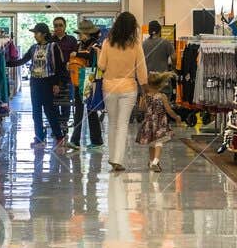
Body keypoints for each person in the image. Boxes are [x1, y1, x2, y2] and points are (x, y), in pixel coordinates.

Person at [95, 10, 147, 170]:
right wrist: (144, 89)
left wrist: (99, 55)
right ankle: (118, 159)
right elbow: (141, 70)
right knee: (123, 124)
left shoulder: (107, 43)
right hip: (129, 88)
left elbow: (101, 66)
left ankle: (112, 157)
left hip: (109, 87)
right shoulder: (136, 45)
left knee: (112, 123)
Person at [8, 22, 68, 149]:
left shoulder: (53, 47)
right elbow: (22, 61)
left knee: (49, 110)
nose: (35, 35)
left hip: (48, 82)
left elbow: (59, 67)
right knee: (36, 111)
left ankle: (59, 136)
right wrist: (6, 63)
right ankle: (39, 138)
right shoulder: (33, 48)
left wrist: (57, 84)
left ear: (44, 34)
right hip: (35, 82)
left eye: (36, 33)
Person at [66, 19, 104, 152]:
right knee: (82, 110)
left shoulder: (95, 45)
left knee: (88, 110)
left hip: (88, 77)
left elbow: (92, 57)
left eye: (81, 33)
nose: (79, 36)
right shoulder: (80, 45)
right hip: (79, 77)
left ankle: (78, 141)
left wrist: (77, 54)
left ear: (87, 34)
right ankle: (94, 140)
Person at [136, 70, 175, 173]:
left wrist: (143, 99)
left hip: (148, 122)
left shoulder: (145, 96)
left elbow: (141, 108)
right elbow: (168, 110)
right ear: (160, 85)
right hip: (160, 122)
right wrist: (177, 117)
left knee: (151, 143)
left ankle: (151, 161)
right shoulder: (162, 96)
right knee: (159, 142)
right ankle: (156, 161)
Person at [51, 17, 79, 135]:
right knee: (54, 102)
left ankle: (64, 123)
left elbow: (77, 56)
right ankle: (57, 124)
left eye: (60, 25)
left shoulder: (72, 40)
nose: (58, 28)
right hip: (53, 77)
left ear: (65, 26)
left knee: (66, 102)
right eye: (56, 25)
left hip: (68, 77)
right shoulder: (50, 41)